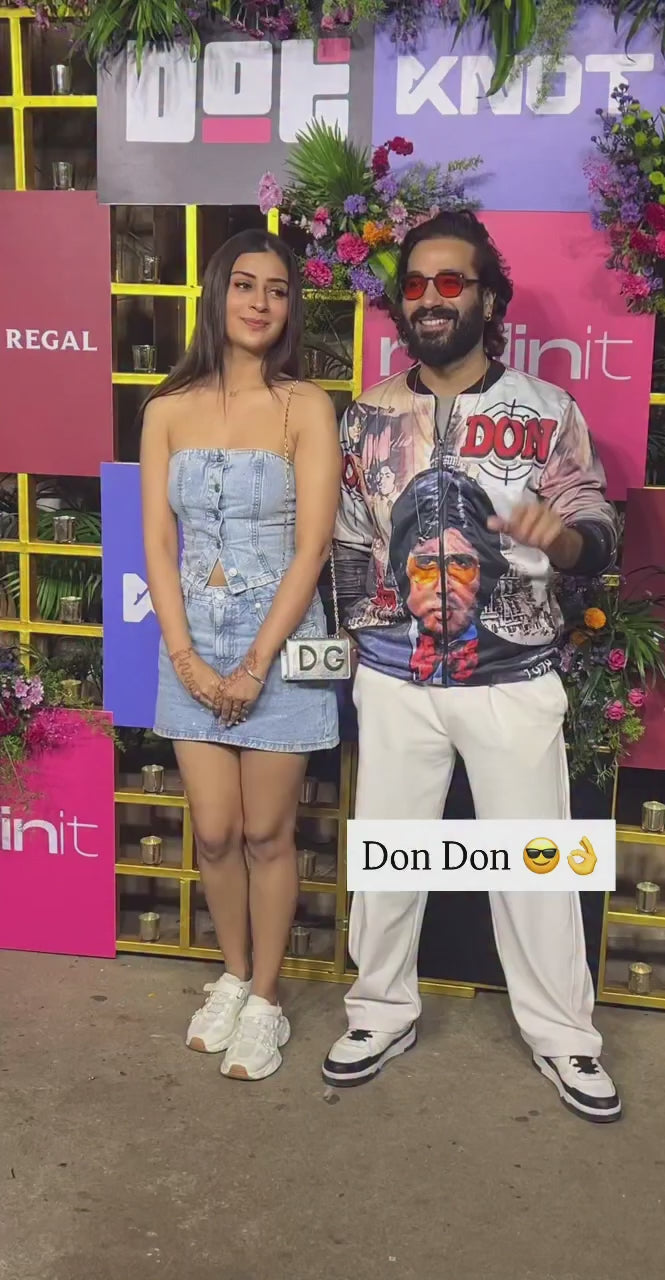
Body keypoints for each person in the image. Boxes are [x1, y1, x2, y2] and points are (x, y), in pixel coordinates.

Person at [323, 210, 622, 1123]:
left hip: (513, 676)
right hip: (395, 676)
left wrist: (562, 539)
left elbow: (594, 526)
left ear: (487, 299)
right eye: (415, 285)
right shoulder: (368, 413)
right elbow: (349, 538)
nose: (431, 299)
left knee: (535, 864)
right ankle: (379, 1013)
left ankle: (564, 1036)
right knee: (387, 860)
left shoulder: (545, 411)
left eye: (451, 283)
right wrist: (364, 648)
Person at [140, 229, 341, 1081]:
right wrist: (184, 656)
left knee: (266, 832)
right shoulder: (166, 409)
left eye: (279, 290)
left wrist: (256, 663)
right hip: (192, 641)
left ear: (291, 308)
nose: (261, 302)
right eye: (245, 285)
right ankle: (230, 974)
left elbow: (313, 548)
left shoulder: (307, 406)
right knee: (217, 833)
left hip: (279, 643)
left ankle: (265, 1000)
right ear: (217, 294)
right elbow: (159, 542)